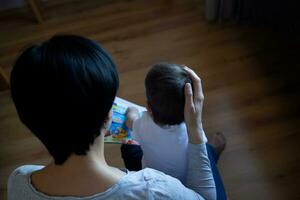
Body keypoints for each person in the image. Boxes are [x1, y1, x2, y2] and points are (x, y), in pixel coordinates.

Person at [8, 34, 217, 200]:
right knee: (207, 151)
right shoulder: (155, 189)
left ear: (28, 122)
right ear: (109, 116)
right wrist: (196, 128)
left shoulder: (18, 181)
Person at [122, 63, 228, 200]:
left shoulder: (143, 124)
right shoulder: (191, 127)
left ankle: (213, 152)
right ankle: (213, 153)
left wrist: (132, 111)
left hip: (159, 182)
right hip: (189, 182)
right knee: (204, 150)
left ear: (148, 107)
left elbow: (130, 121)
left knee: (128, 146)